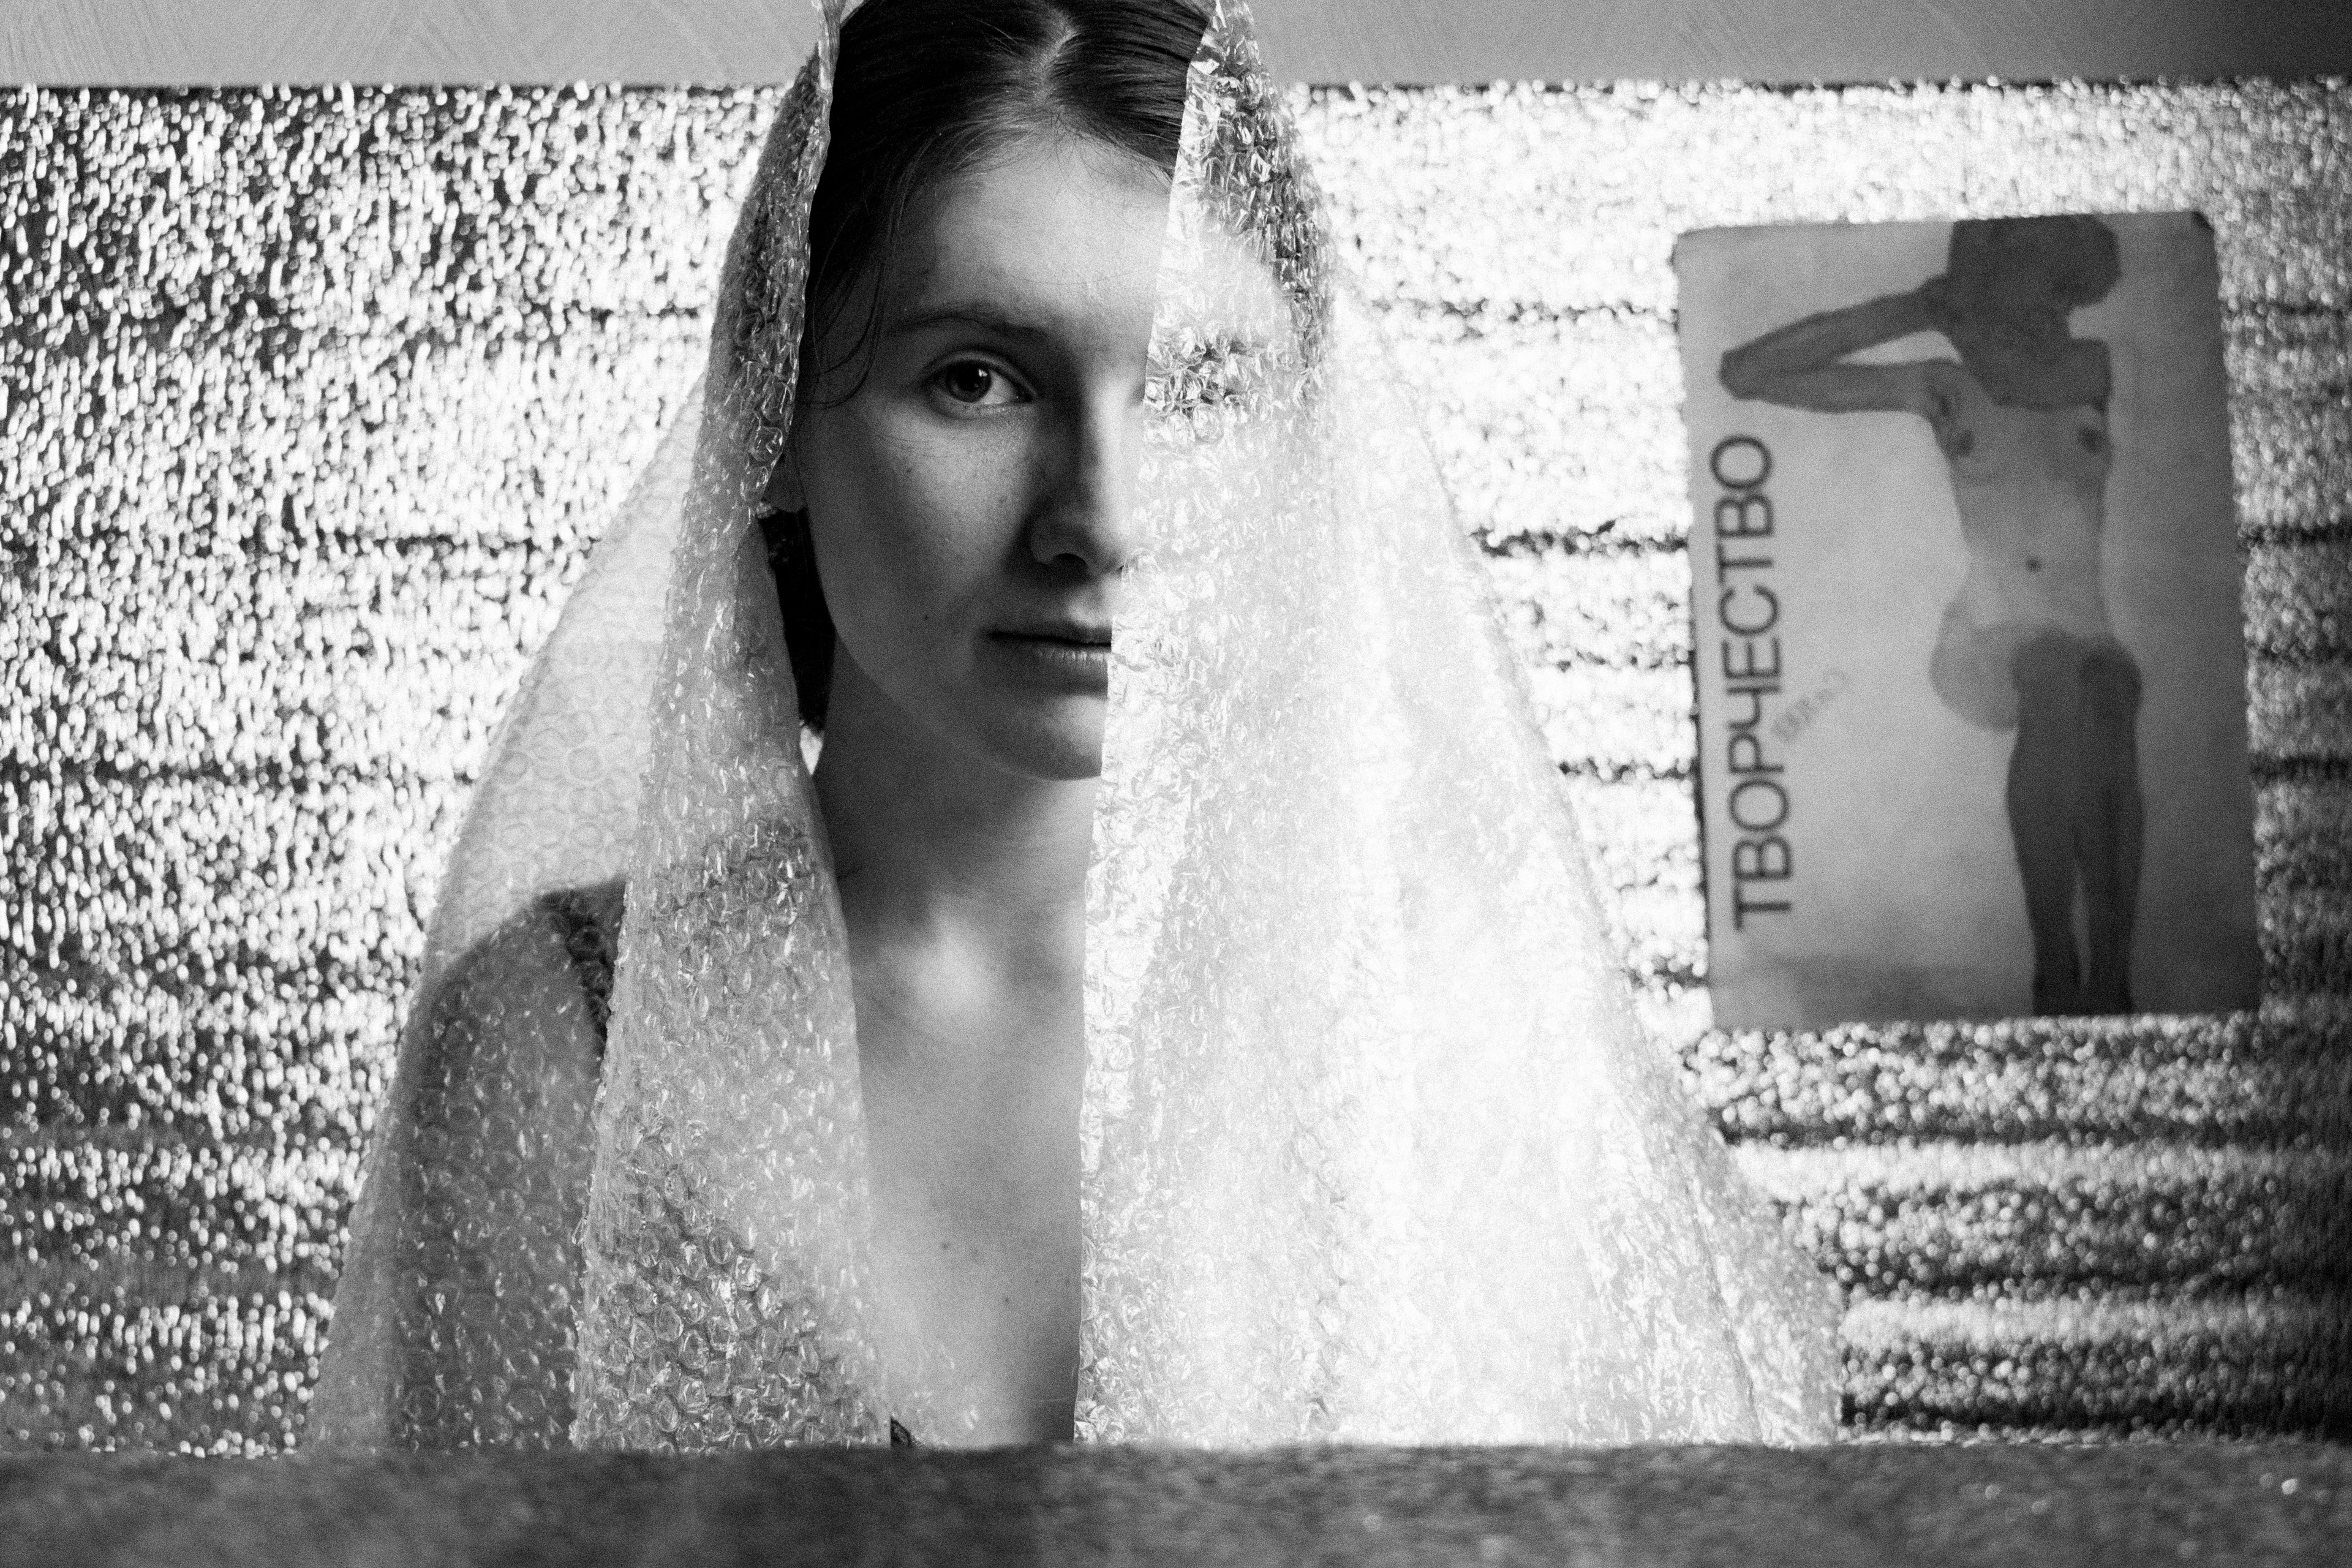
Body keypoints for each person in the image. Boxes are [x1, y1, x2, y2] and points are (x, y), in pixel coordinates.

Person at [312, 0, 1839, 1452]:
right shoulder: (560, 1038)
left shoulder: (1434, 1019)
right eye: (979, 379)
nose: (1100, 520)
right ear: (772, 412)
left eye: (1195, 388)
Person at [1719, 217, 2144, 1016]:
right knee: (2057, 676)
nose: (2025, 294)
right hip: (1986, 635)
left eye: (2037, 274)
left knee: (2108, 688)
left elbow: (2034, 382)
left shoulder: (2095, 368)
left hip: (2087, 632)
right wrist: (1908, 309)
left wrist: (1953, 318)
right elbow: (1746, 372)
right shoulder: (1944, 384)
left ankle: (2113, 977)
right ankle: (2055, 964)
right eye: (2005, 273)